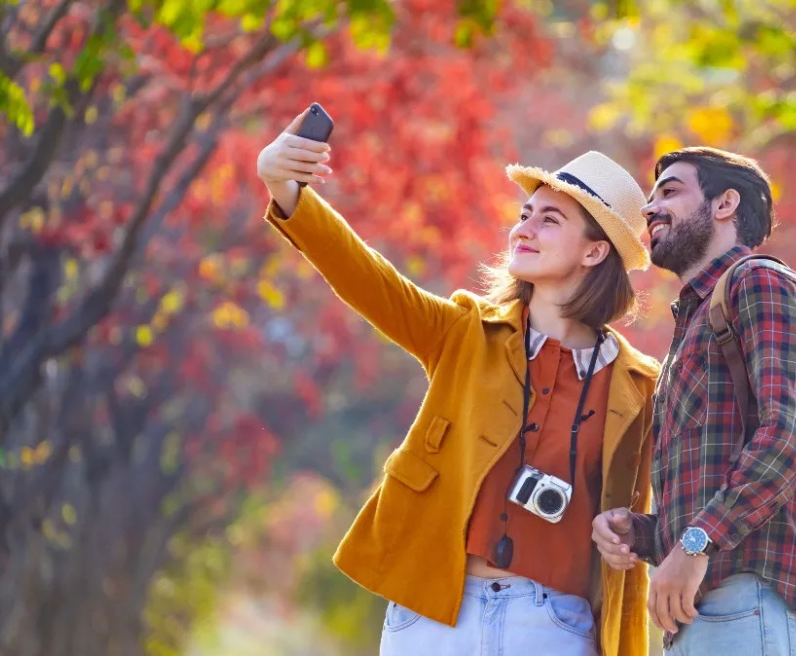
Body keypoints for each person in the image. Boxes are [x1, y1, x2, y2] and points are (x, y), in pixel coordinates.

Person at [256, 108, 660, 656]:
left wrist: (632, 535)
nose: (523, 227)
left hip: (554, 623)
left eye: (550, 219)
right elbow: (365, 276)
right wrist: (288, 191)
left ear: (595, 252)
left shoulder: (639, 386)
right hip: (434, 614)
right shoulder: (462, 334)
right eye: (525, 213)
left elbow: (662, 507)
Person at [592, 146, 796, 655]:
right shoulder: (695, 322)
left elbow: (794, 431)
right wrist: (643, 533)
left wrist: (695, 543)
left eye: (669, 191)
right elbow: (715, 478)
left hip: (754, 603)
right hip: (711, 614)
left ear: (725, 203)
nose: (649, 209)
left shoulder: (761, 282)